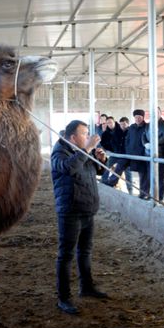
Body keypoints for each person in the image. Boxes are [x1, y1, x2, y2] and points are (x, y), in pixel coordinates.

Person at [51, 120, 109, 315]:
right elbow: (69, 168)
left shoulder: (82, 150)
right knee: (66, 255)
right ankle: (64, 298)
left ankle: (86, 286)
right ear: (73, 137)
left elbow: (97, 172)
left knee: (85, 251)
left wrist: (101, 159)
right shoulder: (59, 152)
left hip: (87, 208)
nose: (87, 137)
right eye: (84, 134)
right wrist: (89, 148)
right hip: (70, 210)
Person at [105, 110, 149, 199]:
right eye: (136, 117)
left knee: (143, 174)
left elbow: (147, 139)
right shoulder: (132, 127)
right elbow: (127, 139)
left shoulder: (147, 127)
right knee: (120, 164)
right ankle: (111, 182)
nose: (137, 119)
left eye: (139, 117)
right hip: (129, 153)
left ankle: (143, 193)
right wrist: (128, 149)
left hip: (141, 155)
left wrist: (143, 151)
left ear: (143, 117)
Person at [142, 107, 164, 200]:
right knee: (150, 176)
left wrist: (154, 144)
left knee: (159, 177)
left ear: (160, 113)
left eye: (156, 112)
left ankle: (159, 197)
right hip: (148, 153)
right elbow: (143, 136)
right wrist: (145, 144)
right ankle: (151, 195)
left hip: (160, 153)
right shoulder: (148, 124)